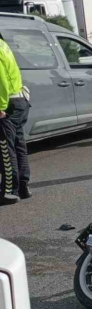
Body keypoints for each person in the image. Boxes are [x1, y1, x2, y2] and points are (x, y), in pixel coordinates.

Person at [0, 36, 31, 205]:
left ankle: (8, 192)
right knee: (19, 146)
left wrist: (0, 107)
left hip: (7, 105)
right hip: (19, 101)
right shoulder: (3, 45)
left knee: (5, 149)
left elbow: (1, 81)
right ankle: (23, 187)